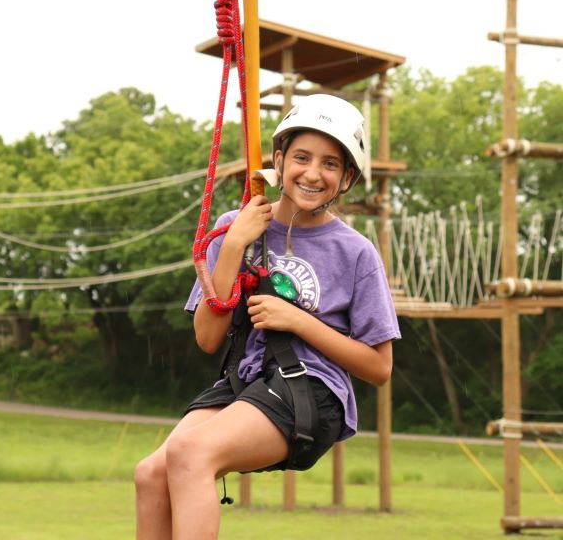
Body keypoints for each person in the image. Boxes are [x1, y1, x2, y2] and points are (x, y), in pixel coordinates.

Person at [134, 94, 400, 540]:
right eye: (301, 157)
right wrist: (235, 245)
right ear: (278, 159)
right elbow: (207, 338)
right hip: (248, 381)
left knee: (192, 453)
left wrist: (299, 321)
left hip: (314, 392)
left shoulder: (355, 253)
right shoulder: (235, 226)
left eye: (330, 164)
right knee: (150, 472)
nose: (313, 173)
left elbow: (379, 368)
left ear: (347, 178)